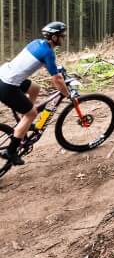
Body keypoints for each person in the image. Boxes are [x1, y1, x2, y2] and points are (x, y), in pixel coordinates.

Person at [0, 21, 70, 165]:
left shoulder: (37, 43)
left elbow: (42, 62)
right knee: (32, 113)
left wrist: (57, 69)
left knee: (35, 88)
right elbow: (56, 79)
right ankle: (10, 152)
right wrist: (67, 93)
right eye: (62, 35)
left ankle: (23, 121)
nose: (64, 37)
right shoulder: (48, 53)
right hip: (8, 86)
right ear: (54, 37)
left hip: (4, 76)